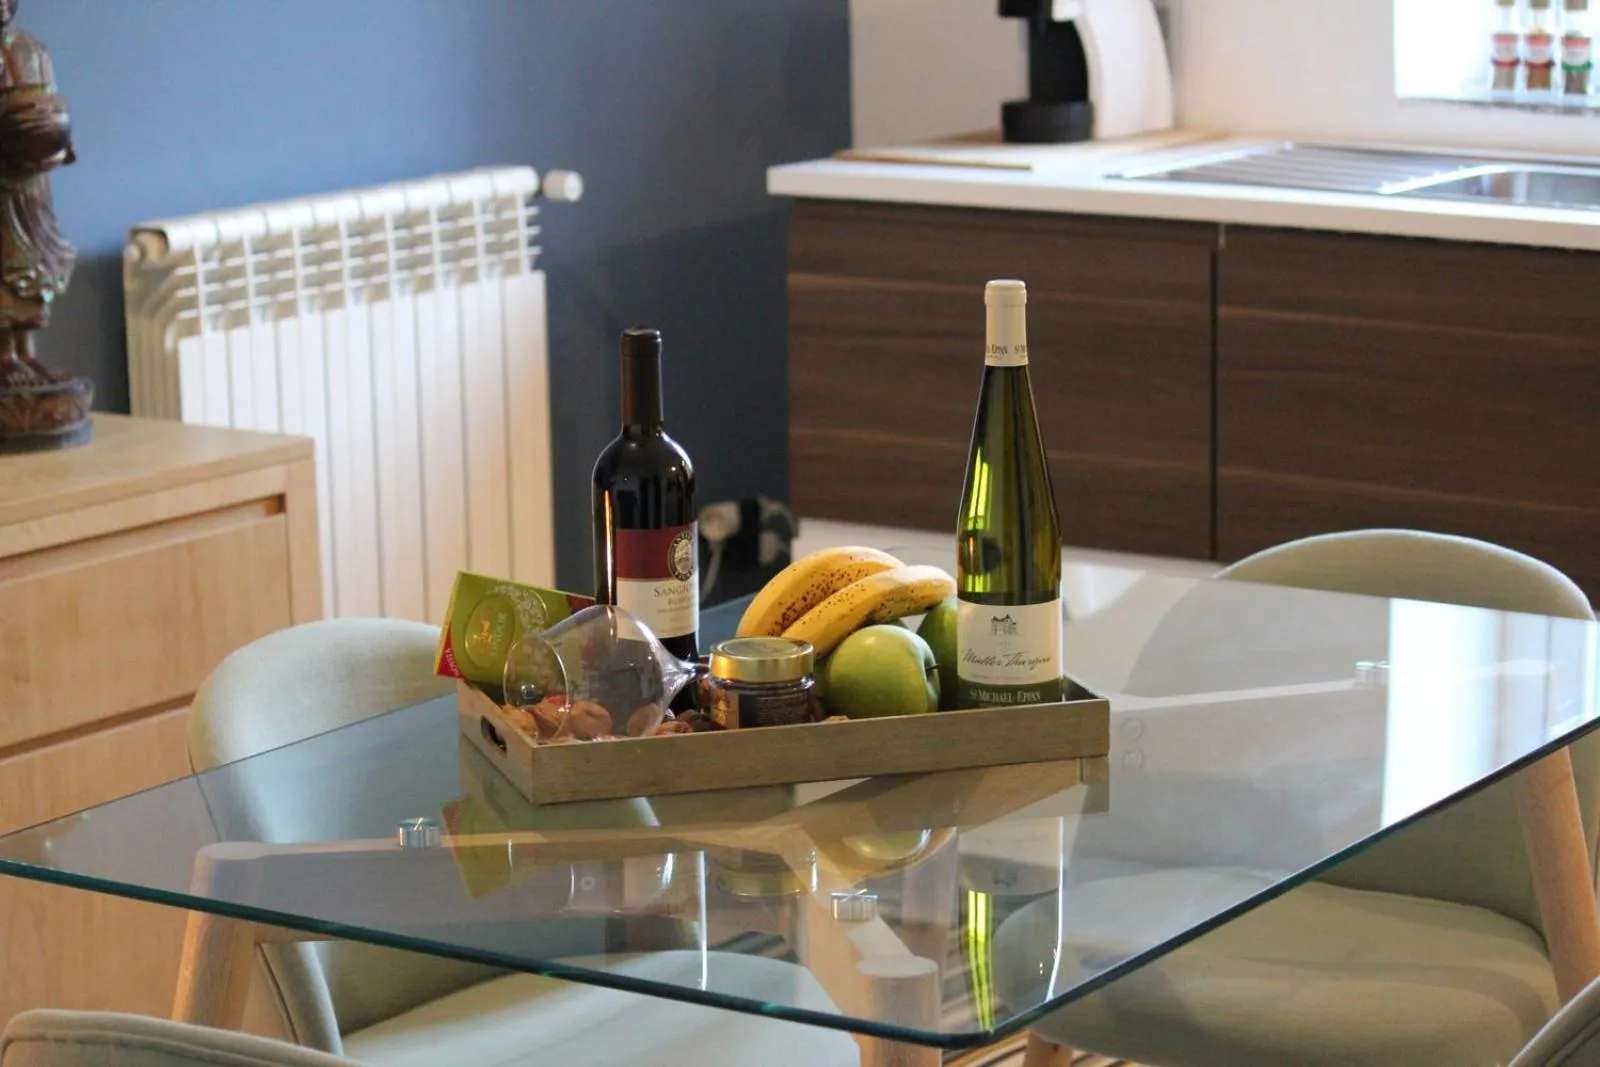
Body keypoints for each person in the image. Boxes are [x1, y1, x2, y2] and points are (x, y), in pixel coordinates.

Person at [0, 0, 76, 391]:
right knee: (5, 264)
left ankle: (27, 351)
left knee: (37, 264)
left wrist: (57, 142)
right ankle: (5, 357)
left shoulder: (31, 50)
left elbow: (49, 107)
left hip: (31, 184)